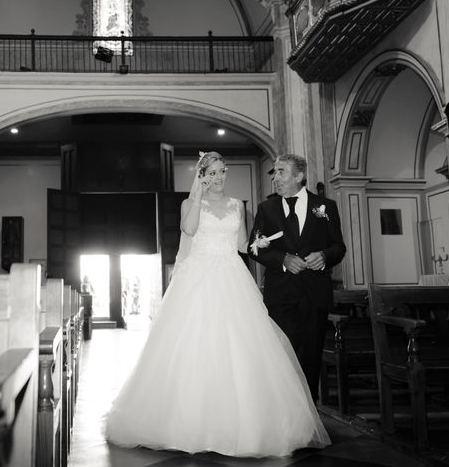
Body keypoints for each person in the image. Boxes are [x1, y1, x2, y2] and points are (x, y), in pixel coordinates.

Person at [105, 151, 330, 457]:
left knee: (241, 345)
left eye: (222, 172)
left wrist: (259, 244)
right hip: (199, 278)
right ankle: (190, 423)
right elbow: (189, 230)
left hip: (232, 275)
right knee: (196, 344)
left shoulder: (238, 205)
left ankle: (248, 422)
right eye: (211, 173)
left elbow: (241, 244)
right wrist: (197, 196)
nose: (219, 178)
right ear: (201, 176)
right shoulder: (190, 203)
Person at [247, 153, 346, 402]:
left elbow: (339, 247)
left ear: (299, 176)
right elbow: (254, 247)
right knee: (281, 357)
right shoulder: (266, 209)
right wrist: (283, 260)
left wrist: (324, 256)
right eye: (275, 172)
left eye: (281, 172)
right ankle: (283, 415)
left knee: (311, 357)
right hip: (280, 295)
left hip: (315, 294)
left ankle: (309, 420)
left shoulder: (324, 207)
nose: (275, 178)